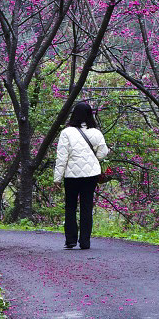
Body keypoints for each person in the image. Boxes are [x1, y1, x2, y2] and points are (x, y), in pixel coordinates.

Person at [53, 100, 109, 250]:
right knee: (86, 207)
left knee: (70, 206)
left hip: (71, 176)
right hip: (90, 175)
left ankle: (70, 240)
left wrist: (57, 178)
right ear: (90, 115)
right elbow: (103, 152)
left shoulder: (66, 133)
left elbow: (62, 157)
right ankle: (85, 242)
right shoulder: (96, 133)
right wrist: (92, 159)